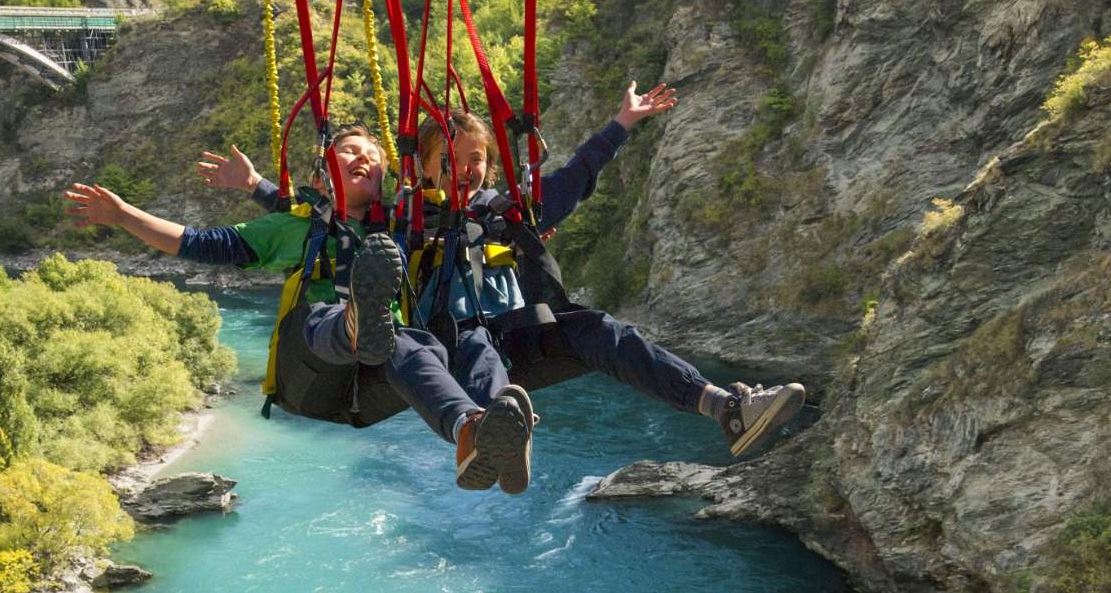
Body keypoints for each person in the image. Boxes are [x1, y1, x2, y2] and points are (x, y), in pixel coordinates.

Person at [207, 83, 809, 467]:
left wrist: (619, 125)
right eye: (455, 161)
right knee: (471, 337)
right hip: (443, 350)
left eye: (478, 160)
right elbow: (330, 218)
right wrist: (260, 189)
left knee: (593, 327)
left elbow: (574, 179)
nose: (468, 171)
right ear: (429, 169)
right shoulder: (405, 217)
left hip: (507, 343)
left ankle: (724, 407)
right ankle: (485, 436)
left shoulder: (505, 212)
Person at [67, 129, 543, 494]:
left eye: (376, 160)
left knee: (422, 342)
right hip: (312, 359)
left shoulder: (403, 222)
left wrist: (521, 229)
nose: (366, 160)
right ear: (320, 176)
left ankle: (473, 429)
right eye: (352, 152)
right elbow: (200, 244)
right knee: (330, 317)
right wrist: (124, 215)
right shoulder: (296, 228)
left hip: (382, 364)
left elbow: (463, 210)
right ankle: (357, 318)